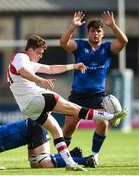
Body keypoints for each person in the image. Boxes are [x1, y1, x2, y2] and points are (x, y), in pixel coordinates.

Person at [7, 34, 127, 171]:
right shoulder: (21, 57)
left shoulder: (26, 62)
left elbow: (50, 69)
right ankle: (111, 117)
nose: (40, 56)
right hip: (37, 98)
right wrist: (40, 80)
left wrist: (73, 66)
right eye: (39, 52)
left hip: (28, 107)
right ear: (30, 50)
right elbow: (23, 72)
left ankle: (70, 163)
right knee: (76, 109)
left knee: (57, 130)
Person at [60, 11, 128, 167]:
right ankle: (61, 157)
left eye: (98, 31)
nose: (95, 33)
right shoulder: (80, 45)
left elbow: (123, 41)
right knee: (69, 127)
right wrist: (72, 26)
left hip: (98, 95)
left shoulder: (107, 47)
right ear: (88, 32)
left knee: (103, 123)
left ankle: (95, 156)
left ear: (102, 33)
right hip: (77, 94)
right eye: (92, 31)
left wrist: (113, 25)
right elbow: (63, 43)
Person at [0, 118, 94, 169]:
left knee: (46, 163)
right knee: (36, 165)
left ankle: (85, 160)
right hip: (29, 134)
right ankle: (73, 154)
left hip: (34, 128)